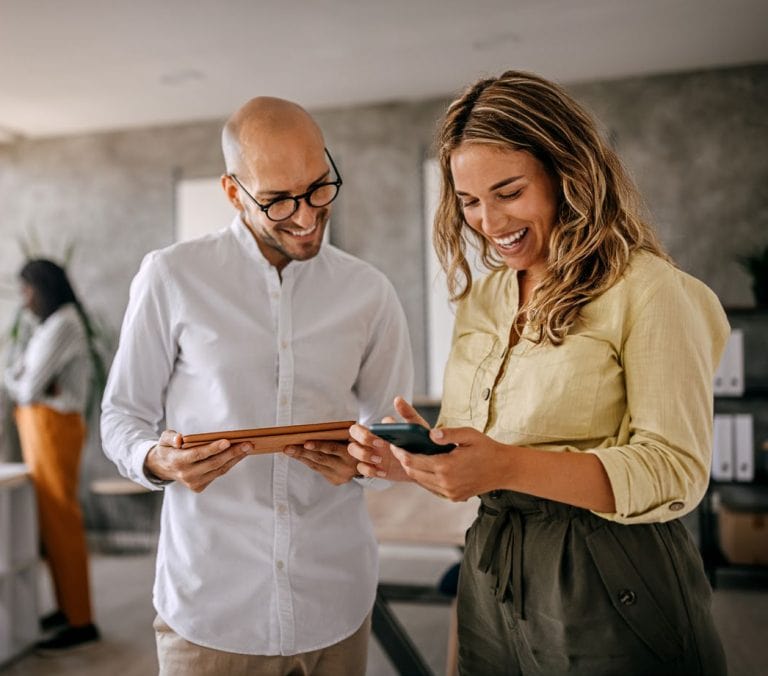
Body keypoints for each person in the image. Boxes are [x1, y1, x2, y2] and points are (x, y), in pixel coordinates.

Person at [349, 70, 729, 675]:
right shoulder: (484, 299)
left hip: (610, 571)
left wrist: (504, 465)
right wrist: (410, 462)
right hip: (493, 567)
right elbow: (478, 446)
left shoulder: (650, 291)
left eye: (509, 192)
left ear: (566, 174)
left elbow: (675, 470)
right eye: (469, 201)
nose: (489, 222)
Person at [100, 97, 413, 675]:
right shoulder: (171, 277)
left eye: (320, 187)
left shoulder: (370, 292)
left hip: (336, 601)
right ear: (232, 191)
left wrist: (375, 460)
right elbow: (122, 416)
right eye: (277, 200)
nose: (306, 215)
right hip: (213, 609)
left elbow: (391, 430)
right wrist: (157, 460)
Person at [4, 258, 101, 650]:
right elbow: (25, 379)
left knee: (61, 519)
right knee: (51, 520)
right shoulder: (47, 325)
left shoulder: (63, 323)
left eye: (28, 290)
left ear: (43, 288)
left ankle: (81, 620)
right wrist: (24, 377)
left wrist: (19, 377)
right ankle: (67, 609)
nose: (24, 299)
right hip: (41, 426)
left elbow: (24, 387)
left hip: (53, 428)